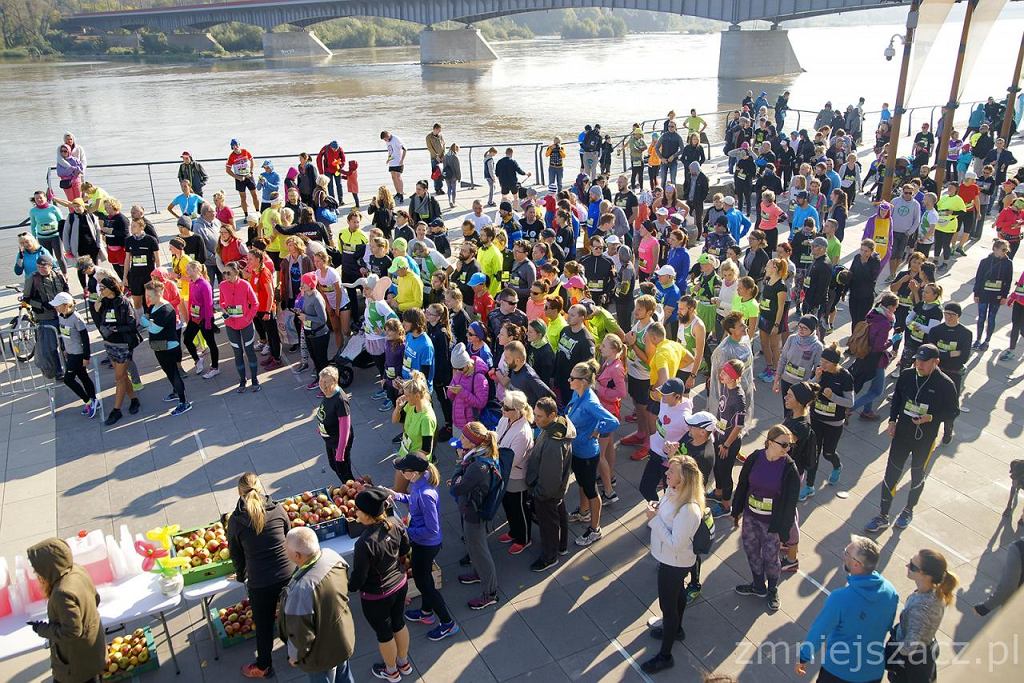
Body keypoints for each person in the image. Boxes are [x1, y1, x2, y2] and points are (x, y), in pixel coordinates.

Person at [865, 344, 959, 533]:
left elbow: (953, 411)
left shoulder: (945, 384)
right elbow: (897, 399)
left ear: (936, 362)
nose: (920, 364)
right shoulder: (907, 375)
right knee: (891, 473)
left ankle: (908, 510)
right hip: (902, 433)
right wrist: (892, 421)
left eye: (925, 362)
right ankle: (883, 515)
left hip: (925, 438)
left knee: (917, 474)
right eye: (918, 360)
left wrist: (931, 417)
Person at [796, 536, 899, 683]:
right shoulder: (891, 592)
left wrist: (804, 656)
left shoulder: (840, 598)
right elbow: (888, 625)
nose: (843, 555)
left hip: (838, 672)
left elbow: (819, 631)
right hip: (873, 673)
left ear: (857, 564)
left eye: (846, 553)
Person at [383, 452, 459, 642]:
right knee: (423, 579)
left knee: (425, 585)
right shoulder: (419, 483)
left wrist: (406, 532)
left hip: (426, 545)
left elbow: (432, 529)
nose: (400, 472)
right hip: (422, 543)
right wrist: (397, 496)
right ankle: (426, 613)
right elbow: (412, 500)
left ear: (413, 473)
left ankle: (448, 623)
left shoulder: (426, 495)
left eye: (403, 470)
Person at [641, 455, 705, 675]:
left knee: (667, 608)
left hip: (674, 563)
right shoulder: (673, 491)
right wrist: (658, 509)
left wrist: (653, 519)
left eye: (672, 472)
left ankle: (665, 655)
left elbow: (676, 544)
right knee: (677, 597)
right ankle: (676, 630)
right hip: (670, 560)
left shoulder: (689, 509)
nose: (667, 473)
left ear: (683, 479)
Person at [224, 473, 292, 680]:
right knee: (290, 616)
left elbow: (237, 555)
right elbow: (289, 537)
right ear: (261, 489)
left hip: (260, 582)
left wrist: (240, 576)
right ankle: (295, 653)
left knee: (263, 625)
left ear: (239, 493)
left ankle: (264, 666)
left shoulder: (236, 521)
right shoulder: (278, 509)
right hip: (287, 575)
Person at [732, 424, 800, 612]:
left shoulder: (789, 468)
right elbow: (743, 484)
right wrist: (736, 510)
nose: (788, 449)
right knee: (751, 550)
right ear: (770, 442)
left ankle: (772, 589)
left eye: (790, 445)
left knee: (771, 557)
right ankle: (757, 586)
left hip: (772, 523)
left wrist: (783, 530)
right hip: (751, 517)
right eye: (784, 444)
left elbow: (790, 503)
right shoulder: (755, 458)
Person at [348, 487, 413, 682]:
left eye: (358, 510)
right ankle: (404, 663)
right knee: (399, 623)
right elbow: (405, 549)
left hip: (377, 596)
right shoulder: (394, 523)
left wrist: (349, 587)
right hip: (400, 585)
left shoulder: (364, 543)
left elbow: (360, 576)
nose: (355, 512)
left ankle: (391, 671)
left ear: (367, 515)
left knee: (384, 634)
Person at [277, 526, 356, 683]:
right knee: (344, 676)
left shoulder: (300, 591)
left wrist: (294, 656)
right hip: (342, 638)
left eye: (286, 546)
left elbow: (301, 634)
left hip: (320, 655)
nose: (283, 548)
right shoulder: (333, 557)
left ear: (297, 555)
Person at [26, 538, 105, 683]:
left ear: (48, 568)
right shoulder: (77, 570)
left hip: (77, 665)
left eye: (37, 569)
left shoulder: (61, 593)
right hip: (93, 649)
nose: (36, 574)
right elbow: (96, 598)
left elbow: (72, 631)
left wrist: (41, 629)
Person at [566, 360, 620, 547]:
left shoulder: (590, 402)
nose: (569, 380)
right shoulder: (577, 393)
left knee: (591, 490)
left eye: (572, 378)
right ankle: (583, 512)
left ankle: (595, 529)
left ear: (582, 381)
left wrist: (598, 429)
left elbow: (613, 421)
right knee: (581, 482)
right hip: (577, 449)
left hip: (587, 453)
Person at [888, 549, 958, 683]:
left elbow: (909, 646)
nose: (907, 566)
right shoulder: (931, 593)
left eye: (913, 566)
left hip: (911, 665)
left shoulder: (923, 608)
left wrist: (894, 649)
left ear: (926, 575)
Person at [452, 422, 501, 610]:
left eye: (464, 437)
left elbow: (458, 487)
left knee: (479, 550)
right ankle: (479, 572)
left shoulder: (477, 466)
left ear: (473, 443)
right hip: (473, 507)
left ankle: (490, 593)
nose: (460, 440)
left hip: (474, 512)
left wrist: (458, 466)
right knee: (474, 546)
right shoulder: (481, 457)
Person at [92, 277, 140, 426]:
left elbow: (132, 325)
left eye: (103, 288)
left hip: (123, 344)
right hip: (109, 344)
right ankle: (134, 399)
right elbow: (98, 314)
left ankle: (116, 410)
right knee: (123, 376)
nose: (100, 290)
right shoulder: (104, 302)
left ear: (111, 288)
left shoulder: (124, 302)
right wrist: (98, 304)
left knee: (119, 378)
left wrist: (115, 329)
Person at [141, 280, 191, 416]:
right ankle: (176, 392)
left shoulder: (166, 309)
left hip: (168, 347)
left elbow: (155, 329)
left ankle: (184, 401)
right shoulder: (154, 306)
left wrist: (145, 321)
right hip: (160, 346)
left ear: (159, 294)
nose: (148, 298)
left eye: (150, 295)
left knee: (173, 373)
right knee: (169, 373)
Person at [807, 344, 853, 490]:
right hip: (816, 418)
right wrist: (816, 378)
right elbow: (807, 389)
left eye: (826, 362)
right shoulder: (820, 371)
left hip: (834, 423)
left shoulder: (845, 377)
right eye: (821, 361)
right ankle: (809, 486)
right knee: (814, 453)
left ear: (835, 363)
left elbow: (850, 402)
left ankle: (837, 466)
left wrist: (832, 396)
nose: (822, 364)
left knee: (828, 453)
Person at [926, 302, 973, 444]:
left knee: (951, 405)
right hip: (936, 371)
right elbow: (931, 352)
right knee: (930, 401)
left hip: (954, 373)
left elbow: (964, 357)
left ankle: (948, 430)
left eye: (952, 315)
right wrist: (952, 353)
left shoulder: (965, 333)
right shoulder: (936, 331)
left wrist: (942, 354)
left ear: (958, 316)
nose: (948, 317)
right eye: (946, 314)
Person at [496, 390, 535, 554]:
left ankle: (524, 538)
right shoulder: (505, 419)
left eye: (506, 408)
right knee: (508, 506)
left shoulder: (523, 433)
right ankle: (513, 531)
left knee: (519, 509)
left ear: (517, 411)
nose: (502, 410)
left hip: (516, 477)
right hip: (504, 473)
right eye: (503, 406)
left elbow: (513, 461)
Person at [972, 238, 1013, 351]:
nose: (1005, 252)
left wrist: (1005, 296)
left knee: (991, 318)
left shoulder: (1008, 263)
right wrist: (976, 293)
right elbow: (979, 278)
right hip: (984, 293)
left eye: (1006, 250)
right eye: (1003, 249)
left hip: (997, 295)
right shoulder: (985, 261)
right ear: (995, 249)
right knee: (981, 317)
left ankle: (987, 341)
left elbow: (1008, 281)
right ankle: (978, 339)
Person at [183, 261, 220, 380]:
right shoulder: (191, 283)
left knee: (211, 344)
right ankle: (197, 360)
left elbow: (209, 305)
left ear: (196, 270)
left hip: (204, 319)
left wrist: (208, 322)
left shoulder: (204, 284)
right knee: (187, 339)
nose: (186, 271)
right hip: (194, 317)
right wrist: (190, 316)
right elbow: (191, 301)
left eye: (188, 269)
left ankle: (215, 368)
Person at [226, 139, 259, 218]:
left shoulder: (245, 151)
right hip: (239, 179)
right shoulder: (231, 156)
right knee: (243, 198)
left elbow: (252, 161)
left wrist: (251, 172)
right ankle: (246, 215)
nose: (235, 147)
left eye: (236, 145)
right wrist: (237, 177)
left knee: (254, 195)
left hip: (249, 176)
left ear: (239, 145)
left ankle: (258, 212)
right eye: (233, 146)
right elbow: (228, 170)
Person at [380, 130, 407, 203]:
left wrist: (402, 160)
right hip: (392, 162)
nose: (385, 141)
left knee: (398, 177)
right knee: (393, 177)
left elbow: (405, 149)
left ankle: (401, 194)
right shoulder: (387, 141)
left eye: (385, 139)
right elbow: (390, 151)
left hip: (398, 162)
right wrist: (388, 159)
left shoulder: (396, 139)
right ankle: (398, 193)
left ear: (387, 136)